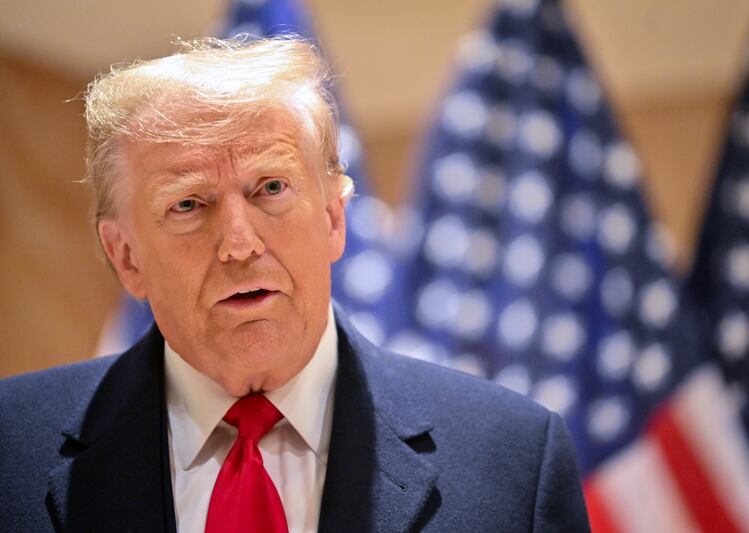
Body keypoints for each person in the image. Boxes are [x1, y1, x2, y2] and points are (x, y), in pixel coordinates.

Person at [0, 37, 589, 532]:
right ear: (126, 257)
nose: (239, 242)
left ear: (335, 218)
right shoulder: (10, 448)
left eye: (271, 188)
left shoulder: (514, 459)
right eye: (187, 204)